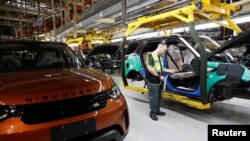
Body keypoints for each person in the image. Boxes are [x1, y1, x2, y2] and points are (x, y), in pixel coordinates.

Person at [145, 40, 177, 121]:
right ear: (160, 48)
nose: (165, 52)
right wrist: (159, 76)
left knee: (159, 96)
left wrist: (170, 71)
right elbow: (150, 68)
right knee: (154, 97)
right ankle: (152, 113)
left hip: (159, 80)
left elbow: (161, 68)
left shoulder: (160, 56)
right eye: (164, 50)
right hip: (153, 80)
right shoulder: (151, 56)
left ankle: (157, 111)